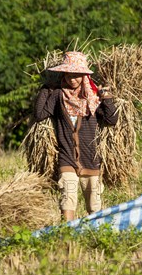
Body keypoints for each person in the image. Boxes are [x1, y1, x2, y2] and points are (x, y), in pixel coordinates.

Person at [33, 51, 118, 221]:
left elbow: (111, 119)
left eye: (77, 75)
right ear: (64, 75)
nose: (73, 79)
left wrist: (106, 97)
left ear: (84, 75)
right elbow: (39, 114)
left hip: (91, 158)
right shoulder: (58, 95)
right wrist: (45, 89)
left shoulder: (92, 97)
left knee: (94, 203)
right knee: (68, 198)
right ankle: (68, 235)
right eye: (69, 75)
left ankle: (95, 236)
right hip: (67, 158)